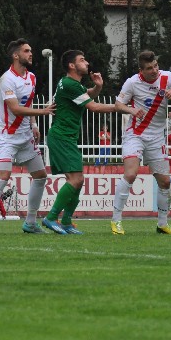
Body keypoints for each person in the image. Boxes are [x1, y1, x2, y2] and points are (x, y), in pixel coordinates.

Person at [42, 50, 144, 235]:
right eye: (82, 60)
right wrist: (122, 107)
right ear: (72, 65)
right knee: (76, 180)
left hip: (66, 137)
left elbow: (88, 95)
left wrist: (98, 87)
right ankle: (51, 218)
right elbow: (93, 107)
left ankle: (66, 221)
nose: (87, 63)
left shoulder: (71, 85)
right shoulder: (70, 84)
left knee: (77, 181)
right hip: (62, 137)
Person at [0, 39, 56, 235]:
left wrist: (34, 124)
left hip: (25, 136)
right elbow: (14, 107)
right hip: (7, 136)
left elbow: (26, 105)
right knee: (3, 176)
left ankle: (30, 223)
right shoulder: (7, 79)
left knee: (40, 176)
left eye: (31, 50)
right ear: (16, 55)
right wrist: (43, 112)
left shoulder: (31, 77)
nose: (31, 54)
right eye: (26, 51)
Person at [110, 51, 171, 235]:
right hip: (135, 134)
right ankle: (116, 220)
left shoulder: (168, 78)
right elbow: (118, 104)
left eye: (155, 66)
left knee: (166, 182)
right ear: (141, 70)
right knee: (131, 174)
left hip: (157, 137)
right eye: (149, 68)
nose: (154, 71)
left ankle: (162, 223)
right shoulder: (132, 82)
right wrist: (132, 110)